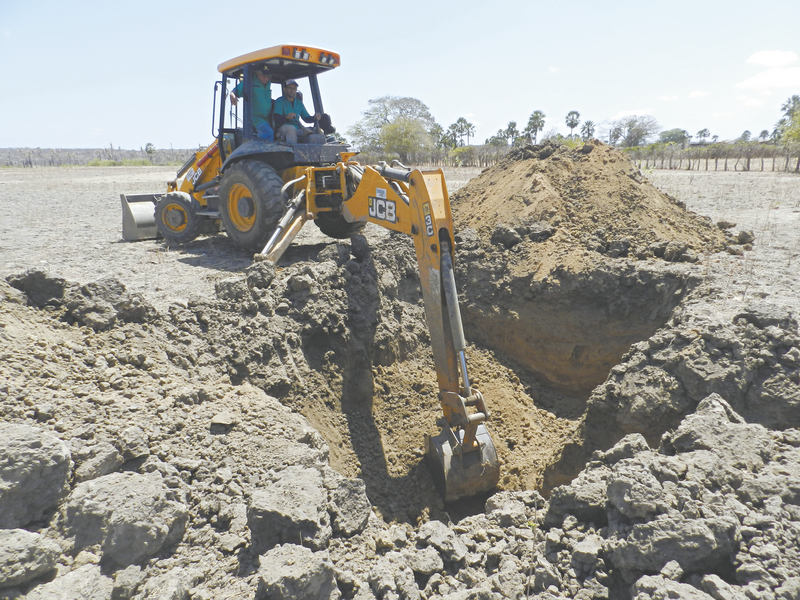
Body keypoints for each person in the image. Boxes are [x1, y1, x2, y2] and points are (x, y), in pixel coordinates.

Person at [273, 80, 326, 144]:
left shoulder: (299, 103)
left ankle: (317, 152)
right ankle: (293, 151)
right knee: (291, 129)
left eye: (294, 88)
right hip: (283, 128)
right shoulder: (280, 101)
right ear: (285, 89)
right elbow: (276, 118)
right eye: (290, 88)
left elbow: (306, 118)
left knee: (317, 131)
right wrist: (286, 117)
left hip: (297, 128)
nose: (292, 90)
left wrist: (314, 117)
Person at [230, 65, 274, 141]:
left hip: (267, 118)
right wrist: (232, 95)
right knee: (268, 132)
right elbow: (235, 91)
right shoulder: (249, 81)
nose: (266, 78)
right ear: (257, 73)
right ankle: (260, 149)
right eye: (263, 75)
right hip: (255, 118)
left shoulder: (268, 84)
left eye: (268, 76)